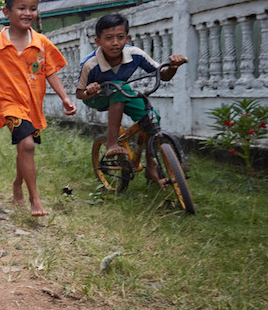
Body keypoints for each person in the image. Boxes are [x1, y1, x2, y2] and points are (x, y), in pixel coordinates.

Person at [0, 0, 76, 217]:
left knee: (23, 147)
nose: (28, 13)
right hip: (9, 104)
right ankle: (35, 198)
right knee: (27, 145)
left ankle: (18, 183)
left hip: (32, 105)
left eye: (33, 8)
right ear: (7, 12)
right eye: (22, 8)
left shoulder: (41, 43)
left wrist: (65, 97)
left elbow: (50, 71)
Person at [75, 12, 186, 186]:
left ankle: (151, 166)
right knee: (118, 86)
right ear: (98, 41)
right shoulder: (90, 64)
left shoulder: (135, 54)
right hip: (96, 98)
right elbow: (79, 93)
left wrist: (173, 66)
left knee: (152, 118)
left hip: (120, 92)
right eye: (109, 38)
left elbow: (163, 75)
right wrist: (90, 90)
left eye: (120, 37)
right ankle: (111, 143)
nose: (115, 43)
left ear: (127, 38)